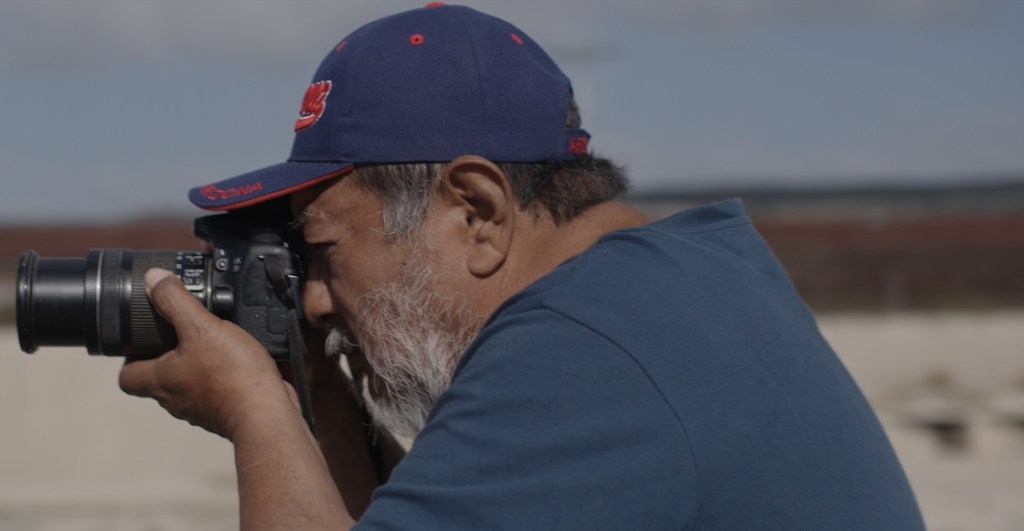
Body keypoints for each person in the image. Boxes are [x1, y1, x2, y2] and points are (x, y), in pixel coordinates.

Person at [118, 4, 926, 530]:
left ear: (476, 211)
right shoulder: (672, 284)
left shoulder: (586, 349)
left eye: (322, 250)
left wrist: (256, 409)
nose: (317, 302)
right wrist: (312, 395)